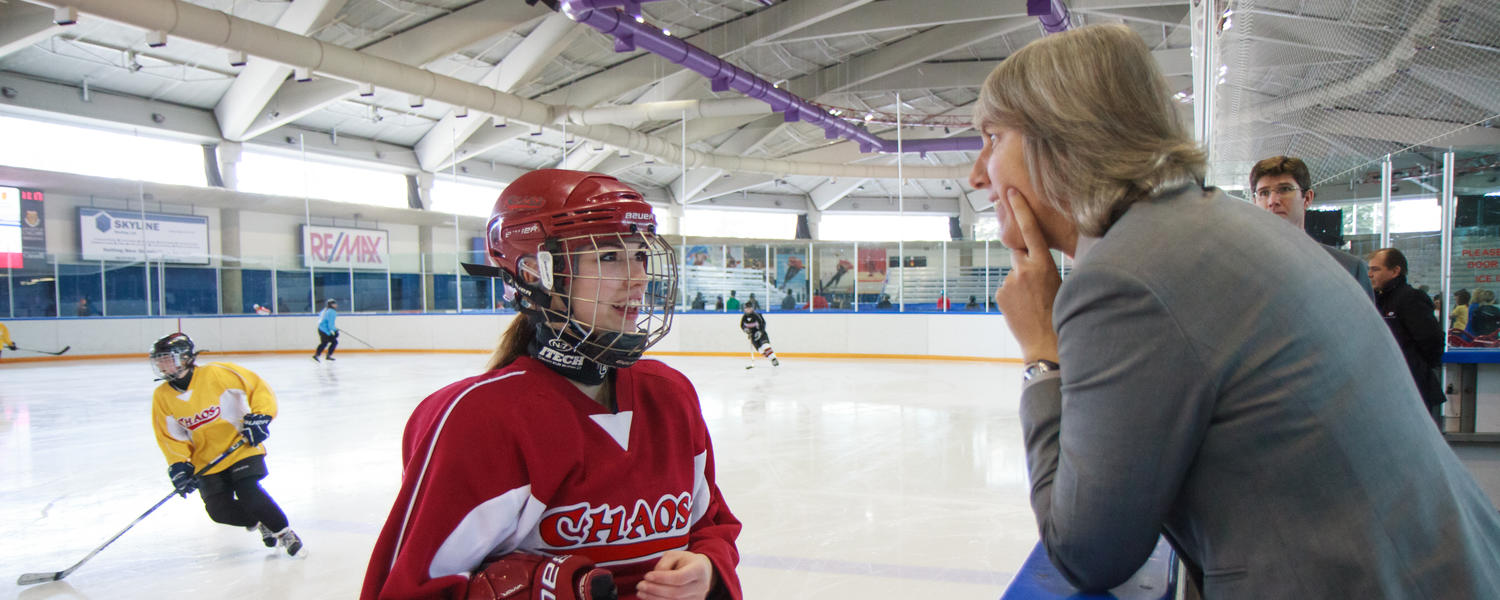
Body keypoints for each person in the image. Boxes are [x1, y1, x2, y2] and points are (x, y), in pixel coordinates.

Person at [971, 24, 1500, 598]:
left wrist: (1042, 356)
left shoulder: (1126, 277)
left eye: (993, 139)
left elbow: (1086, 552)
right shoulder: (1221, 225)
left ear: (1063, 136)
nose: (979, 174)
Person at [361, 169, 742, 600]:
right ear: (535, 271)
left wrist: (708, 568)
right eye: (609, 257)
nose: (638, 278)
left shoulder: (670, 396)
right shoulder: (478, 421)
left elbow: (709, 525)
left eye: (638, 254)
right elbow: (406, 589)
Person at [148, 332, 302, 556]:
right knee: (218, 511)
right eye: (159, 360)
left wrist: (261, 416)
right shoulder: (162, 396)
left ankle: (284, 532)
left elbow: (258, 387)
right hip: (206, 459)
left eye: (167, 358)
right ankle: (262, 522)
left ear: (185, 357)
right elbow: (170, 436)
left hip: (240, 447)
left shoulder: (218, 373)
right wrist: (179, 464)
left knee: (249, 491)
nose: (162, 365)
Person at [1249, 156, 1374, 301]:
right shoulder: (1240, 268)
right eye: (1264, 193)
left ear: (1307, 198)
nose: (1272, 201)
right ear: (1255, 201)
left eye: (1284, 189)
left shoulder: (1349, 270)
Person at [1368, 248, 1447, 422]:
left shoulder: (1411, 298)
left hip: (1413, 384)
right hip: (1386, 384)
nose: (1370, 274)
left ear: (1395, 271)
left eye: (1376, 269)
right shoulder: (1376, 300)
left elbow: (1431, 339)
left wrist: (1418, 366)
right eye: (1370, 269)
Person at [739, 301, 779, 368]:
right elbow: (742, 325)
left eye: (749, 308)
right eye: (746, 308)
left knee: (765, 346)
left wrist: (760, 331)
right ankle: (771, 359)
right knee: (761, 350)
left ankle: (773, 359)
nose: (747, 310)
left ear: (752, 308)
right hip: (753, 336)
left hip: (761, 334)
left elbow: (763, 324)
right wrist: (746, 330)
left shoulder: (757, 315)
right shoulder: (744, 317)